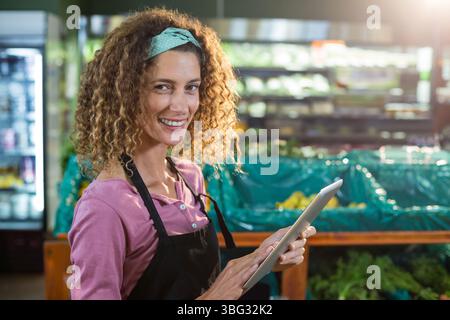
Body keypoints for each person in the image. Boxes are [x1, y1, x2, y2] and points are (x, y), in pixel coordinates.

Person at [69, 7, 316, 300]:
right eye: (163, 87)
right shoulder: (105, 207)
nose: (180, 105)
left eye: (191, 88)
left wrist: (260, 260)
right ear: (126, 92)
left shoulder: (189, 178)